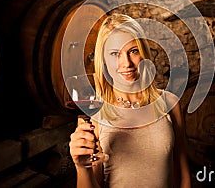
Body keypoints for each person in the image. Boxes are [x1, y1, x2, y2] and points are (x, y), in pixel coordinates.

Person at [69, 13, 191, 188]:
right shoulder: (95, 114)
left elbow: (184, 176)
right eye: (114, 54)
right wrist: (82, 167)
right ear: (103, 60)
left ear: (144, 54)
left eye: (133, 51)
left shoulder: (169, 103)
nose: (126, 63)